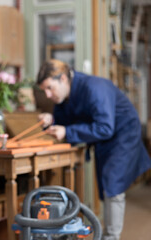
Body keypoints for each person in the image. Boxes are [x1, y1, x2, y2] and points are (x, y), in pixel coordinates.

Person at [37, 59, 151, 240]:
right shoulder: (62, 97)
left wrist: (66, 130)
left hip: (123, 134)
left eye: (50, 88)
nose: (48, 94)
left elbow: (105, 127)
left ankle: (111, 237)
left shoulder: (94, 87)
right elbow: (63, 123)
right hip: (103, 139)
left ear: (64, 79)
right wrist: (51, 120)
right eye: (44, 90)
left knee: (112, 184)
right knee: (106, 186)